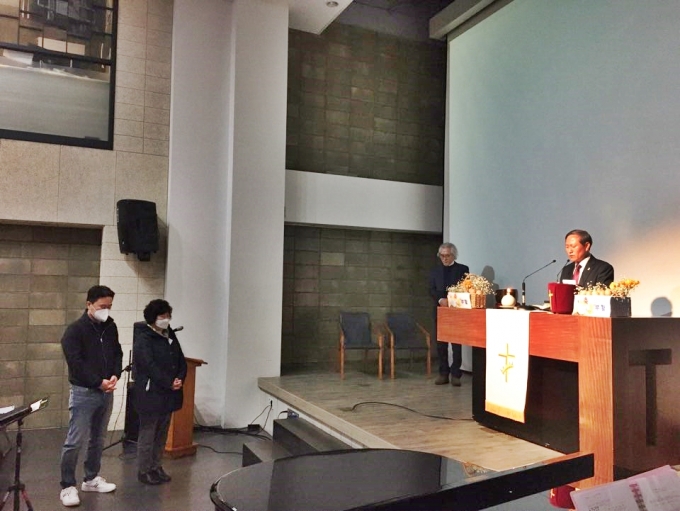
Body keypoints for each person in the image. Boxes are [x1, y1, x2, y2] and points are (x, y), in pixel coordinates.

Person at [59, 285, 122, 507]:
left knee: (98, 438)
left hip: (106, 392)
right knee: (75, 441)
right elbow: (75, 364)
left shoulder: (110, 326)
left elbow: (117, 352)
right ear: (89, 304)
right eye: (102, 306)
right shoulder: (74, 331)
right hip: (84, 392)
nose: (106, 310)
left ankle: (91, 478)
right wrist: (98, 382)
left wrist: (115, 375)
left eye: (109, 306)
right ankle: (67, 486)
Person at [133, 299, 187, 485]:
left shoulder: (169, 334)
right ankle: (144, 470)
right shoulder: (144, 338)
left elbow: (180, 359)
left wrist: (180, 378)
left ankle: (156, 466)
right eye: (162, 316)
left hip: (169, 393)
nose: (166, 319)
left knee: (162, 432)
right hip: (151, 393)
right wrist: (168, 382)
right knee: (148, 433)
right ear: (153, 318)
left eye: (168, 316)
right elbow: (149, 365)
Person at [429, 242, 469, 387]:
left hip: (456, 312)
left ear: (454, 255)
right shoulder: (434, 271)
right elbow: (431, 289)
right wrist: (441, 300)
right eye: (442, 256)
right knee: (441, 345)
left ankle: (456, 374)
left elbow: (465, 289)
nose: (444, 258)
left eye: (447, 255)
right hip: (440, 311)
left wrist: (451, 300)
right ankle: (443, 373)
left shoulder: (463, 269)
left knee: (456, 345)